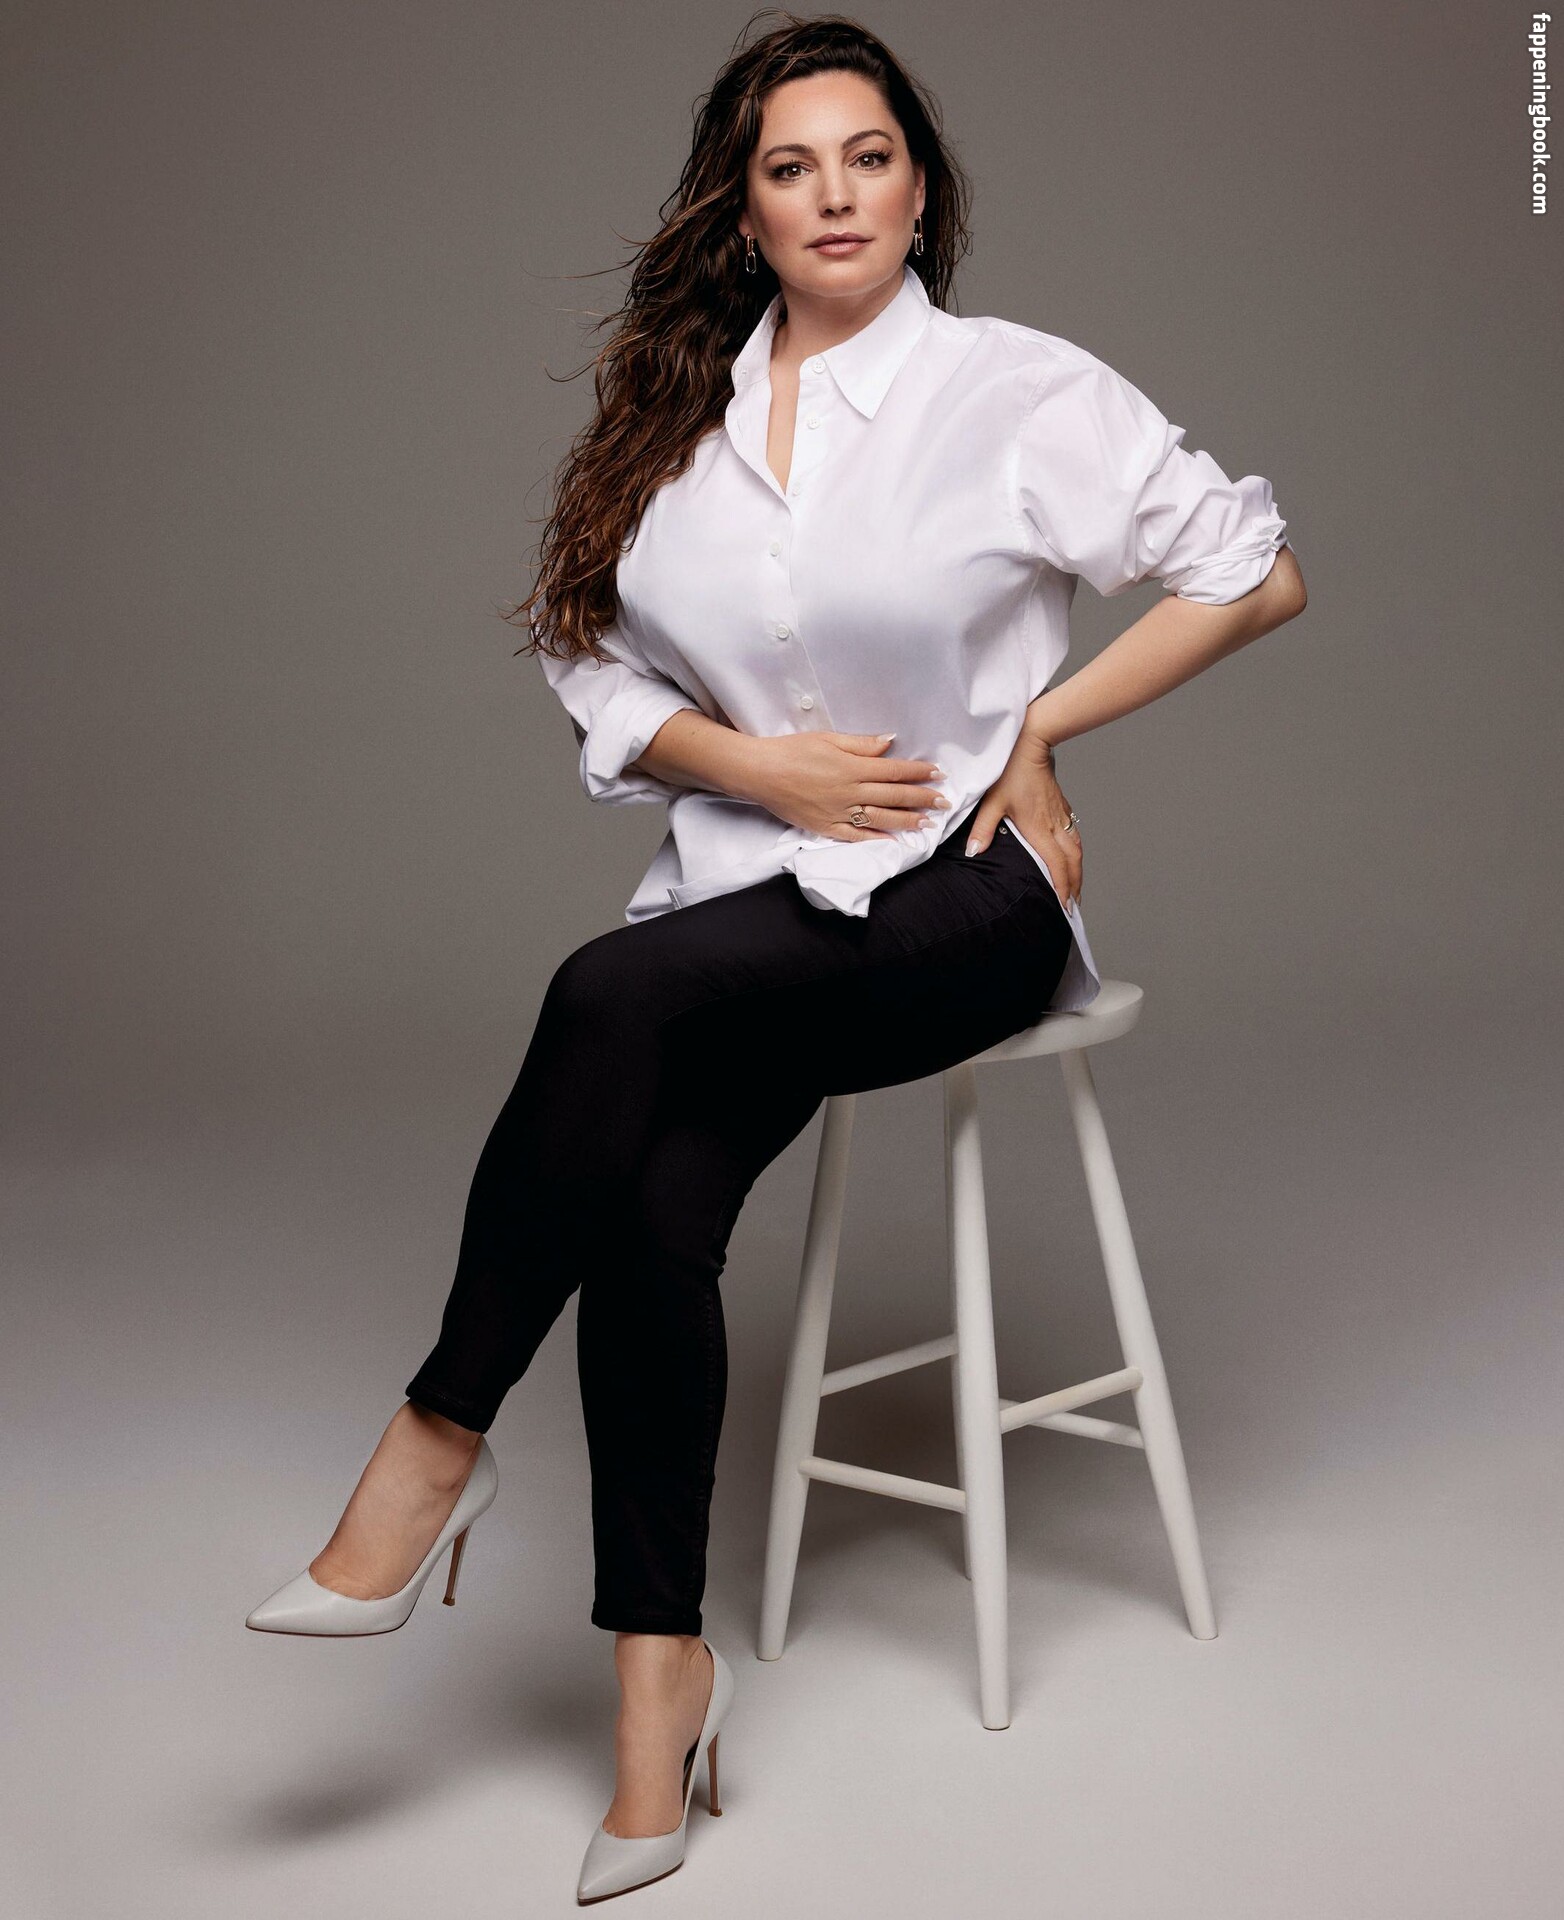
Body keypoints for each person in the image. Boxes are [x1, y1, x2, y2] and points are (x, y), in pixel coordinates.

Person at [245, 13, 1307, 1904]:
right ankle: (661, 1690)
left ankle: (433, 1446)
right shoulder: (678, 417)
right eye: (791, 166)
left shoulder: (1011, 389)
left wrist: (1037, 729)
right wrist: (750, 767)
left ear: (921, 187)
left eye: (869, 157)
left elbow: (1252, 569)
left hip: (967, 901)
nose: (835, 196)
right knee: (649, 1204)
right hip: (746, 906)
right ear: (741, 211)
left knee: (604, 992)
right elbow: (587, 652)